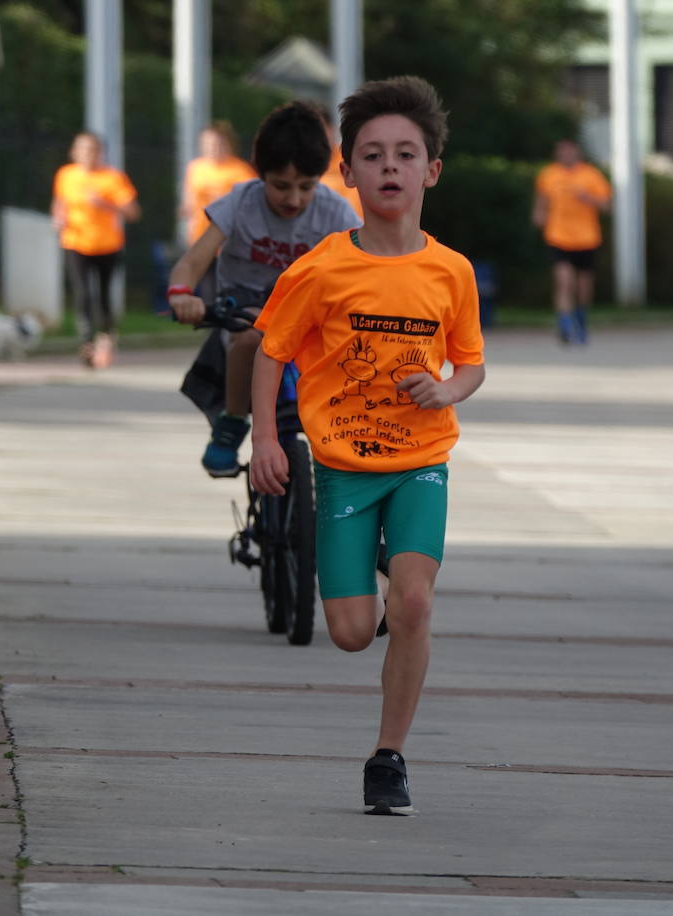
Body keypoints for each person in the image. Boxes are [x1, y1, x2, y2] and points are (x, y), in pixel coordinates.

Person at [250, 76, 486, 815]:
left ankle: (389, 758)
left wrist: (448, 390)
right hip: (344, 470)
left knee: (414, 603)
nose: (390, 168)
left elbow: (470, 361)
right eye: (373, 155)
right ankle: (376, 570)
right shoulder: (321, 268)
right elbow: (270, 351)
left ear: (431, 171)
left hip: (420, 463)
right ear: (347, 173)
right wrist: (265, 437)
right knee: (352, 633)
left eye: (406, 154)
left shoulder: (451, 272)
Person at [167, 101, 360, 477]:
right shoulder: (242, 202)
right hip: (247, 303)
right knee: (253, 338)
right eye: (281, 186)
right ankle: (233, 421)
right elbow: (193, 260)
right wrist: (181, 293)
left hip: (309, 306)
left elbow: (362, 269)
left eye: (307, 187)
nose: (294, 199)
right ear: (260, 175)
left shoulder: (335, 211)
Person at [52, 132, 140, 369]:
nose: (88, 154)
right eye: (83, 149)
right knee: (82, 293)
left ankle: (106, 338)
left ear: (100, 153)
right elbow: (60, 203)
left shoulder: (112, 178)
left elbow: (133, 212)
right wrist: (58, 218)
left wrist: (105, 204)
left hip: (107, 244)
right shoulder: (66, 175)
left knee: (102, 296)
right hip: (75, 242)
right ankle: (86, 342)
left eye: (93, 150)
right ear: (74, 152)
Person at [532, 139, 611, 345]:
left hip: (587, 238)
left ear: (577, 153)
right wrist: (539, 215)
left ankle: (581, 318)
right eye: (562, 152)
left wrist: (588, 199)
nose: (566, 156)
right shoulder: (549, 175)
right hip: (558, 236)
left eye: (570, 152)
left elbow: (606, 206)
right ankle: (565, 325)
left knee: (583, 286)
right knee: (564, 282)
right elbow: (541, 201)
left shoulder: (591, 175)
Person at [180, 122, 258, 244]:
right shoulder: (195, 168)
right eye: (207, 144)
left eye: (216, 144)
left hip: (230, 239)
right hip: (200, 236)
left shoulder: (241, 171)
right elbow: (189, 200)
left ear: (228, 144)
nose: (212, 148)